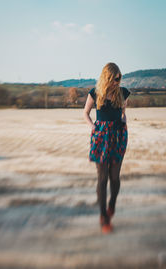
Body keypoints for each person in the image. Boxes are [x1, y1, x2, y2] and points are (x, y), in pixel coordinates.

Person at [83, 62, 131, 234]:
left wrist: (124, 119)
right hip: (101, 137)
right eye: (114, 79)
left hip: (118, 136)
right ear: (107, 78)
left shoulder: (123, 93)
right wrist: (93, 127)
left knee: (115, 177)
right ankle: (104, 217)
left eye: (119, 79)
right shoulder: (95, 93)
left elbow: (123, 112)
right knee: (103, 179)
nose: (117, 82)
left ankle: (111, 205)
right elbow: (85, 113)